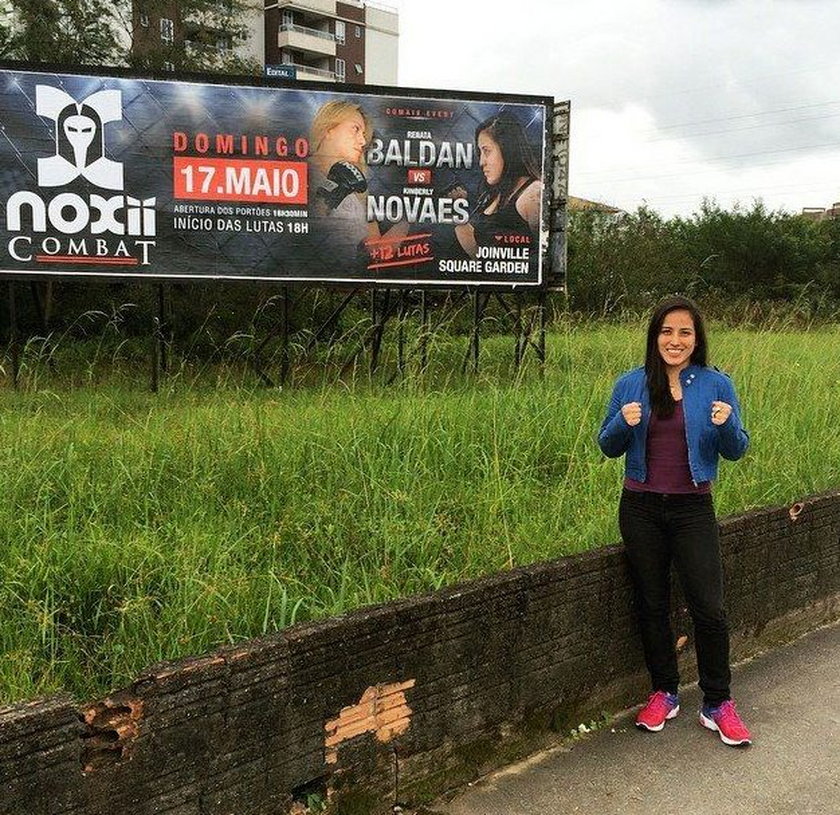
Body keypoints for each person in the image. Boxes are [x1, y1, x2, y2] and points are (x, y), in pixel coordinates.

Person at [597, 296, 752, 747]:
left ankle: (717, 703)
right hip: (641, 508)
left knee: (710, 607)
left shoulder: (717, 384)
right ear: (654, 336)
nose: (675, 340)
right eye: (667, 331)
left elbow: (737, 449)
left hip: (692, 509)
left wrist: (725, 426)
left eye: (685, 332)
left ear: (697, 339)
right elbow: (606, 445)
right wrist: (623, 425)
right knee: (651, 603)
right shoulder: (630, 384)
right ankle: (664, 691)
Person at [308, 100, 407, 272]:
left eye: (364, 134)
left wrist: (409, 218)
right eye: (355, 129)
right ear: (329, 129)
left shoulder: (359, 190)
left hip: (351, 278)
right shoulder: (298, 174)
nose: (362, 141)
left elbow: (376, 252)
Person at [452, 112, 542, 258]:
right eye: (480, 153)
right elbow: (479, 255)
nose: (481, 162)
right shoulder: (494, 193)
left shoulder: (533, 194)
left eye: (486, 151)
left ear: (508, 149)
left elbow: (542, 261)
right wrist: (458, 210)